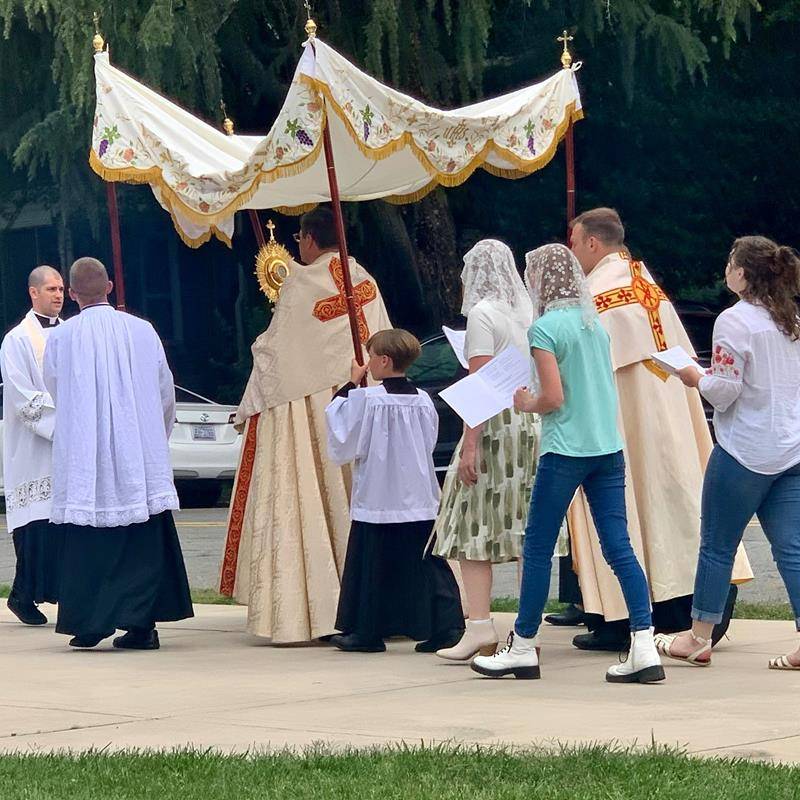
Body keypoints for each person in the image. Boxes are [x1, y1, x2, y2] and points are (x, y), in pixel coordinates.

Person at [472, 243, 664, 683]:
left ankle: (522, 644)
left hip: (566, 449)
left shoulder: (545, 329)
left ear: (538, 280)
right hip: (606, 446)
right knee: (618, 546)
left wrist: (526, 402)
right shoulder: (592, 324)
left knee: (537, 548)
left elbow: (554, 398)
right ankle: (643, 641)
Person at [565, 207, 752, 651]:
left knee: (628, 506)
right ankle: (694, 608)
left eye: (574, 243)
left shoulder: (597, 297)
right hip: (672, 423)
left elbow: (580, 368)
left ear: (593, 243)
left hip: (621, 424)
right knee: (677, 501)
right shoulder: (647, 286)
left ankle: (622, 618)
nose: (572, 253)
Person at [219, 207, 392, 643]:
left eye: (300, 238)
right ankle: (385, 606)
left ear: (310, 239)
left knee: (316, 498)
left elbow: (275, 356)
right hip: (366, 403)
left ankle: (319, 608)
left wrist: (248, 405)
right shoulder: (365, 280)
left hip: (314, 415)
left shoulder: (301, 282)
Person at [656, 237, 800, 669]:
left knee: (717, 545)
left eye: (730, 263)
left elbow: (726, 391)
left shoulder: (733, 322)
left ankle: (699, 636)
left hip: (744, 449)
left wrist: (692, 376)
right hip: (790, 447)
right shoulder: (791, 317)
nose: (726, 269)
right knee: (791, 548)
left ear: (742, 274)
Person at [43, 257, 193, 649]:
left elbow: (57, 389)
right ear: (109, 286)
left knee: (89, 540)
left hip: (88, 457)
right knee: (142, 540)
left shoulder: (61, 338)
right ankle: (142, 626)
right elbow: (165, 391)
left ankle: (91, 623)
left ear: (73, 295)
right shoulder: (142, 331)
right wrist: (153, 438)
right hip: (137, 454)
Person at [432, 239, 539, 661]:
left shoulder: (481, 315)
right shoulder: (528, 312)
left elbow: (480, 385)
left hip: (494, 423)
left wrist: (470, 444)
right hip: (529, 421)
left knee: (472, 524)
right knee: (526, 524)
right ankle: (527, 625)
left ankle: (479, 625)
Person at [325, 329, 464, 653]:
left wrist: (350, 384)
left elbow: (342, 431)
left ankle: (367, 631)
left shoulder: (369, 399)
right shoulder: (423, 400)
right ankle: (447, 625)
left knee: (373, 563)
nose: (368, 362)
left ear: (383, 360)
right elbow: (429, 441)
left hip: (378, 493)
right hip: (416, 492)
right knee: (426, 562)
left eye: (371, 356)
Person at [1, 266, 65, 625]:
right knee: (36, 524)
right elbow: (21, 394)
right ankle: (23, 594)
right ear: (33, 293)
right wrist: (65, 421)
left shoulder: (71, 331)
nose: (58, 295)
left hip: (66, 447)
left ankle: (63, 592)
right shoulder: (17, 340)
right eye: (52, 289)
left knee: (64, 524)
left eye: (61, 289)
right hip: (32, 446)